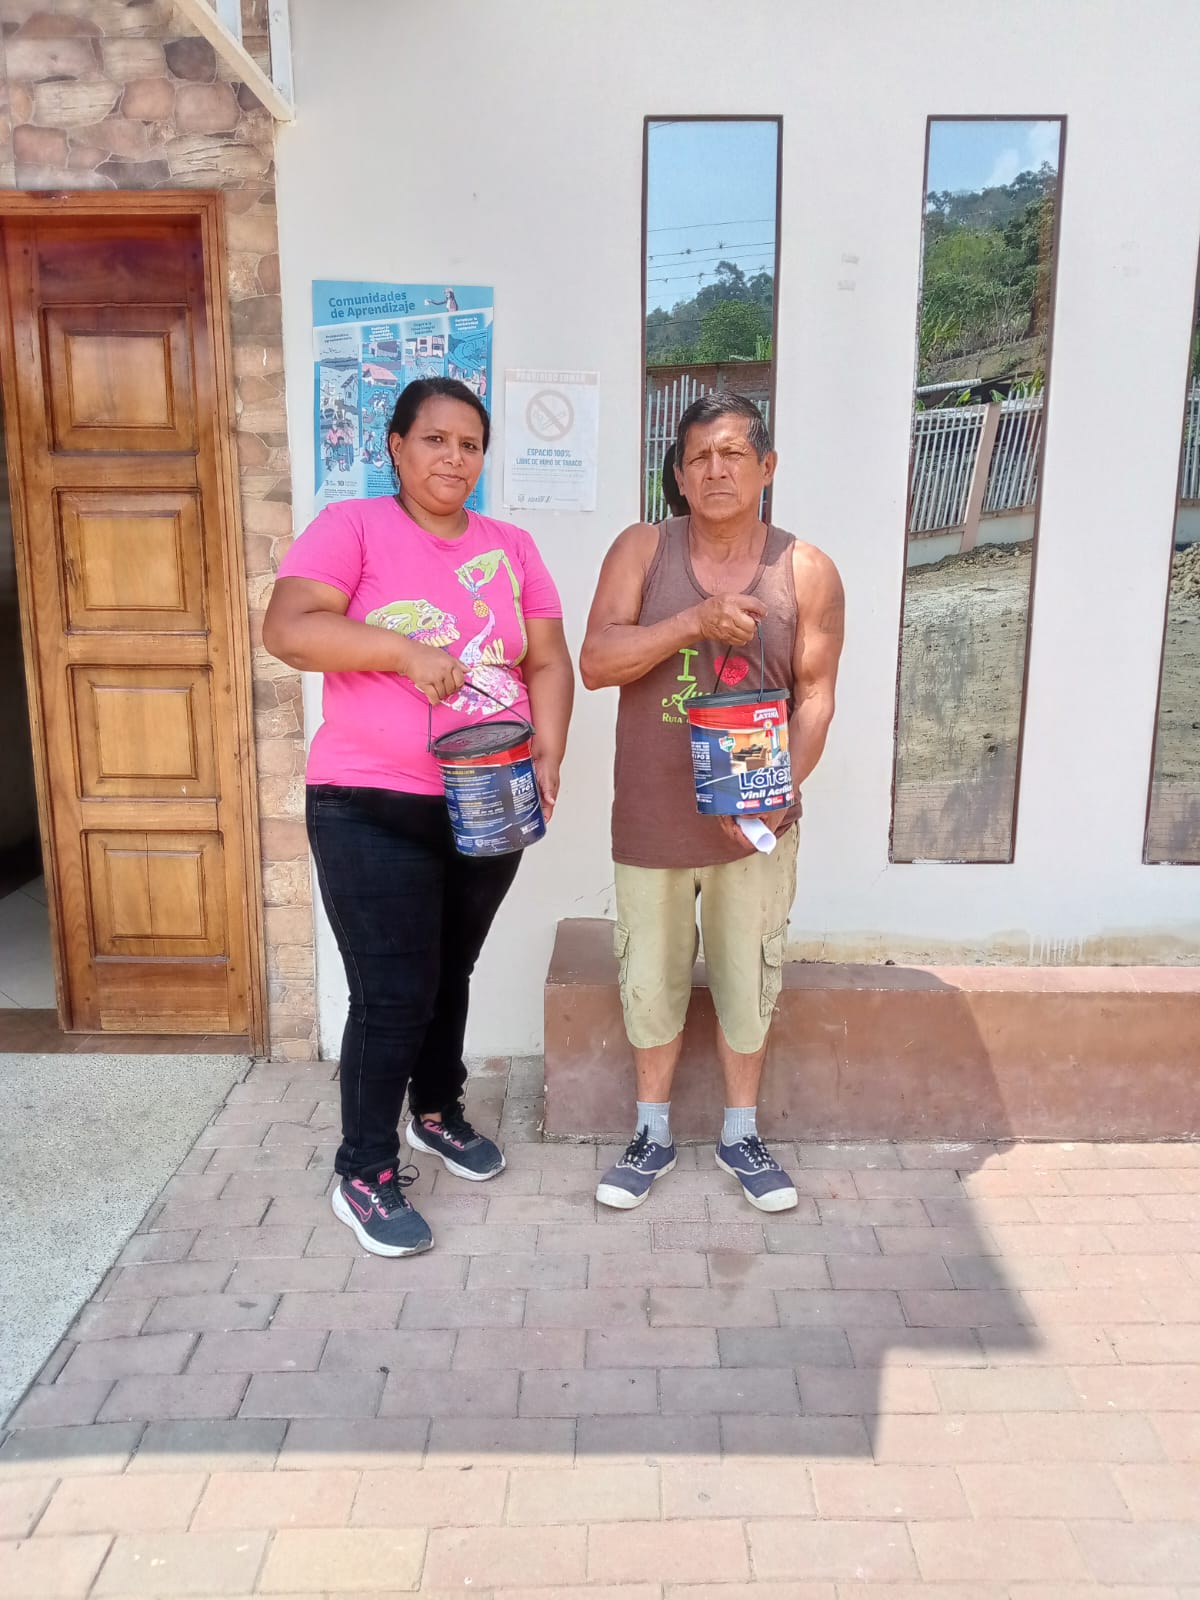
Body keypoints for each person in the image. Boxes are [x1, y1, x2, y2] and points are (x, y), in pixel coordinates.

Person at [264, 378, 574, 1256]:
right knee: (392, 993)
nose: (453, 458)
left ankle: (435, 1112)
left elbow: (548, 660)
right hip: (370, 803)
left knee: (450, 971)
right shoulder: (353, 527)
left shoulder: (512, 546)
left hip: (490, 796)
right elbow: (288, 628)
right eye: (435, 439)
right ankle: (363, 1170)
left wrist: (548, 752)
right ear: (396, 447)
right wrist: (403, 652)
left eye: (470, 444)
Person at [580, 392, 843, 1213]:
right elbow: (596, 661)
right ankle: (651, 1133)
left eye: (733, 454)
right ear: (681, 475)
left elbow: (816, 698)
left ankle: (741, 1134)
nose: (716, 470)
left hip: (753, 824)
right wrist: (694, 620)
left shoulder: (806, 569)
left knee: (746, 976)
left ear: (767, 467)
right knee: (649, 978)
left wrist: (775, 797)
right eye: (699, 457)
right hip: (653, 817)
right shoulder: (642, 549)